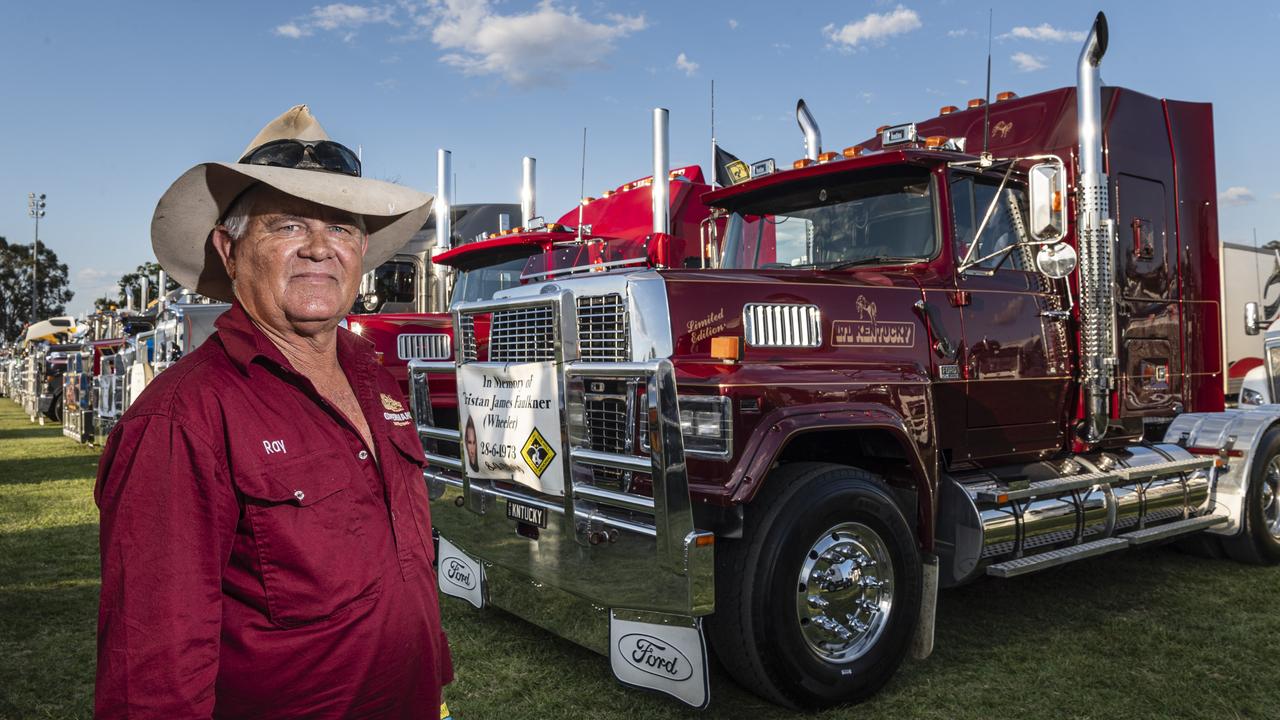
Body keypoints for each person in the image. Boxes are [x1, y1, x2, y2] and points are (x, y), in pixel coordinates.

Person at [94, 105, 450, 718]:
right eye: (287, 225)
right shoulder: (182, 418)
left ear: (362, 251)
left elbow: (403, 565)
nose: (320, 248)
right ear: (228, 251)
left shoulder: (374, 377)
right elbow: (151, 670)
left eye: (341, 229)